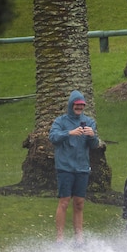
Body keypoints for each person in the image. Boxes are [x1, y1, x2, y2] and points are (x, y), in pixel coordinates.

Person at [48, 90, 99, 242]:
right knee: (64, 201)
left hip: (82, 167)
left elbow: (94, 145)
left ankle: (79, 238)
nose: (79, 108)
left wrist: (92, 136)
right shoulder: (60, 121)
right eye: (76, 105)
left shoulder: (89, 122)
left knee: (79, 203)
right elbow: (53, 137)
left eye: (82, 105)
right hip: (65, 167)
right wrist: (69, 133)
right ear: (71, 105)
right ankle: (60, 238)